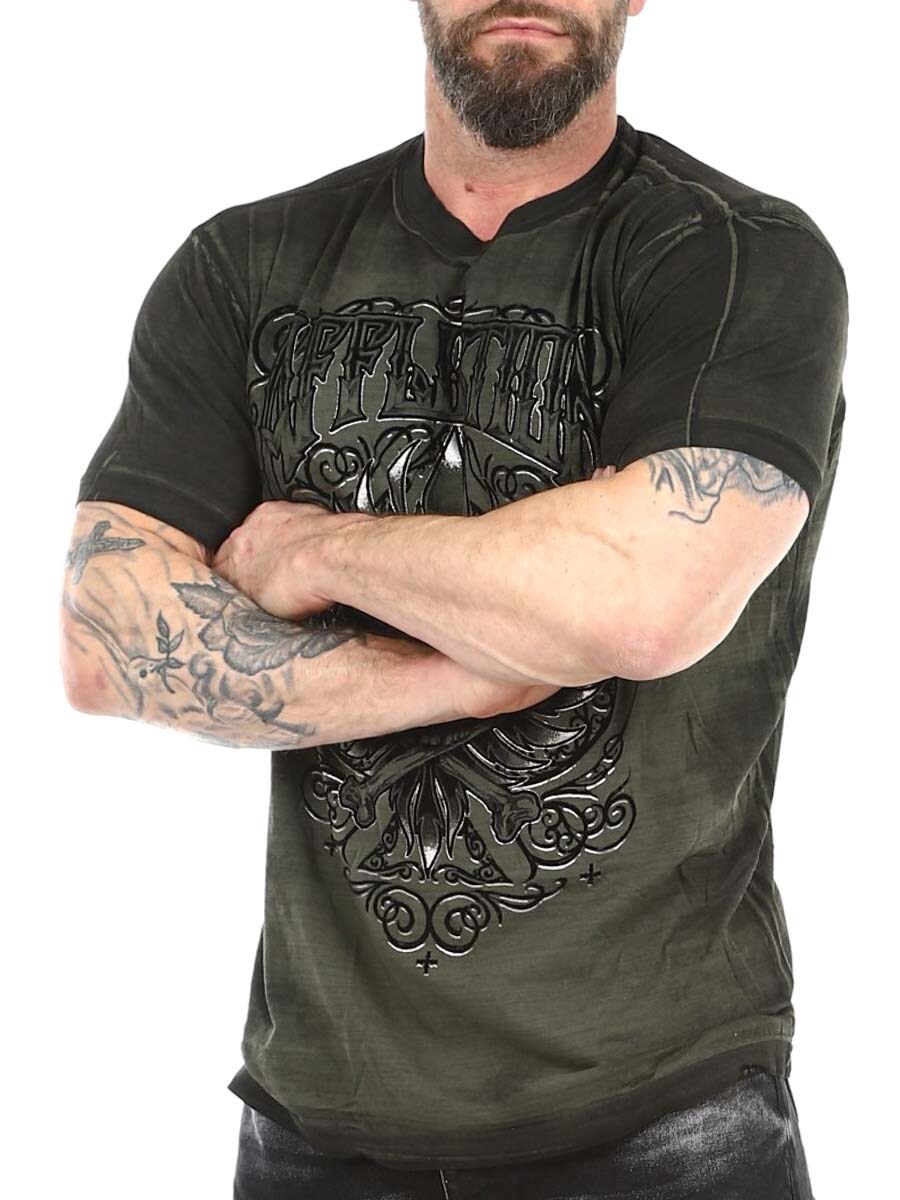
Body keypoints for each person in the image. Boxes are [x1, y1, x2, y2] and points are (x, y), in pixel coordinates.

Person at [60, 0, 846, 1196]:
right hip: (317, 1119)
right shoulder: (246, 264)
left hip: (665, 1115)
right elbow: (105, 641)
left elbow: (643, 600)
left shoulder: (736, 256)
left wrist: (318, 552)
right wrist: (462, 672)